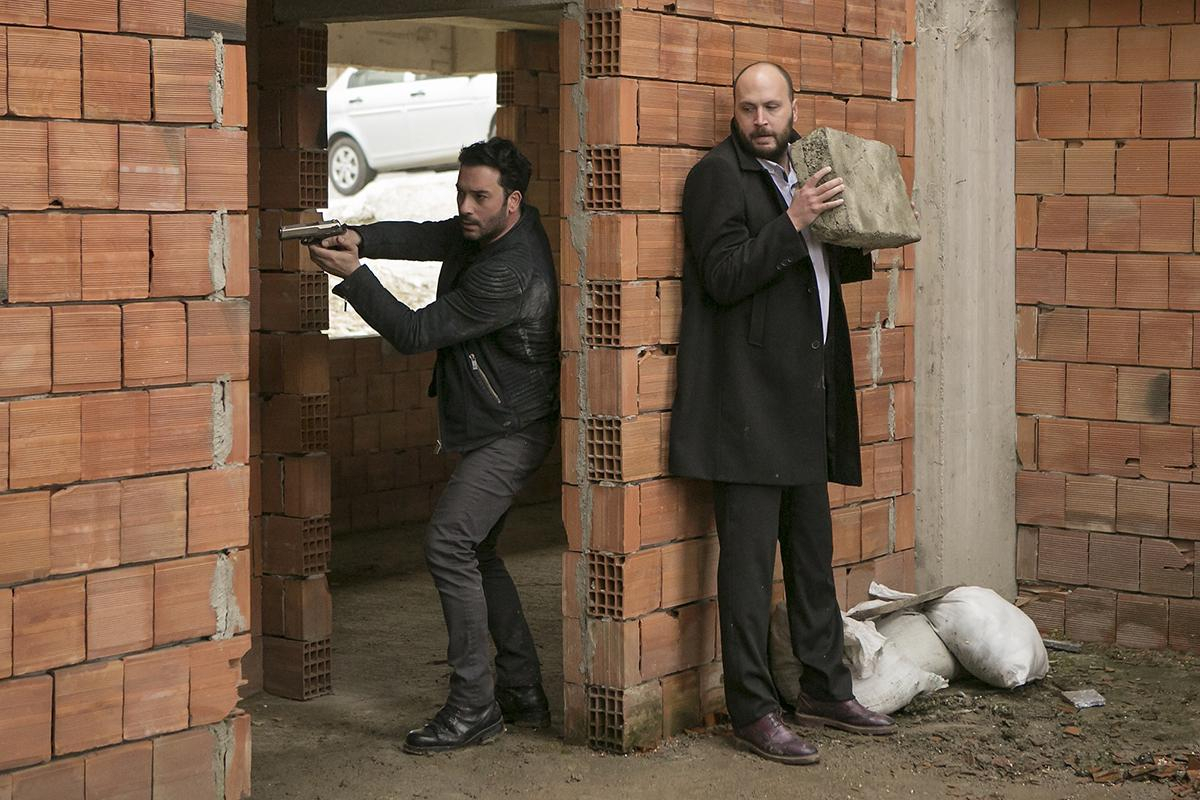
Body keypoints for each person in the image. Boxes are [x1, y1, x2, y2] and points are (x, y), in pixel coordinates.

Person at [669, 62, 897, 765]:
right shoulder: (716, 177)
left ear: (795, 106)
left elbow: (827, 270)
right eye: (748, 108)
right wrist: (794, 221)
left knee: (810, 557)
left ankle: (824, 688)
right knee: (746, 570)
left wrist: (860, 217)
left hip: (804, 393)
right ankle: (753, 710)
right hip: (746, 403)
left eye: (771, 106)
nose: (761, 120)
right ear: (734, 113)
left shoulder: (809, 166)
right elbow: (723, 276)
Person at [307, 137, 559, 755]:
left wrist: (354, 275)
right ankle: (522, 690)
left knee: (449, 543)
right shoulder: (486, 229)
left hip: (512, 429)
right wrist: (359, 236)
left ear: (512, 201)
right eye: (461, 193)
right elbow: (430, 235)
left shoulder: (508, 270)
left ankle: (474, 706)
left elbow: (416, 331)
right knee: (479, 549)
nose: (466, 207)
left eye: (480, 197)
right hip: (502, 419)